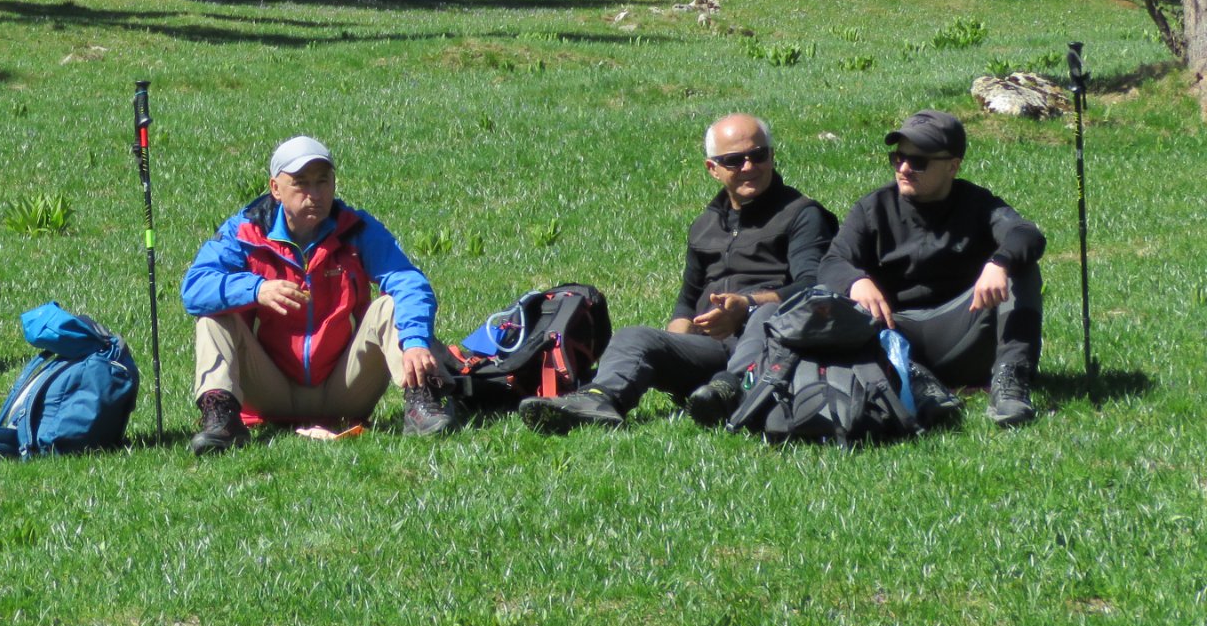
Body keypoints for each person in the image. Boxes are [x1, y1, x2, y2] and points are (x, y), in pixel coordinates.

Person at [520, 113, 834, 432]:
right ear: (712, 168)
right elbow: (687, 302)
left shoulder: (801, 215)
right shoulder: (705, 226)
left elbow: (815, 286)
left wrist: (747, 305)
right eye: (734, 160)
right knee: (634, 336)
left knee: (766, 313)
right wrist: (674, 349)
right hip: (712, 348)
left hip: (770, 347)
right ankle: (598, 400)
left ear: (772, 156)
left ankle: (732, 392)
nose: (749, 166)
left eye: (758, 155)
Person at [180, 135, 454, 454]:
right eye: (301, 183)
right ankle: (221, 421)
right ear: (275, 188)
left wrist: (416, 341)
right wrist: (256, 289)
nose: (314, 194)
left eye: (322, 181)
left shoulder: (355, 228)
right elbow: (194, 288)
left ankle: (421, 403)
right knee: (213, 317)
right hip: (270, 392)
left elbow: (408, 281)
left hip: (346, 388)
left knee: (390, 306)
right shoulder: (244, 232)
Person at [809, 109, 1045, 427]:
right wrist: (855, 281)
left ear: (953, 166)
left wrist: (999, 263)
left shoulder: (977, 204)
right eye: (898, 158)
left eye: (919, 161)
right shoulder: (873, 208)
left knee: (1021, 268)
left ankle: (1010, 383)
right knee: (830, 296)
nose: (904, 168)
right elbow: (831, 263)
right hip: (892, 339)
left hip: (962, 332)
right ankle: (917, 383)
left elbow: (1026, 234)